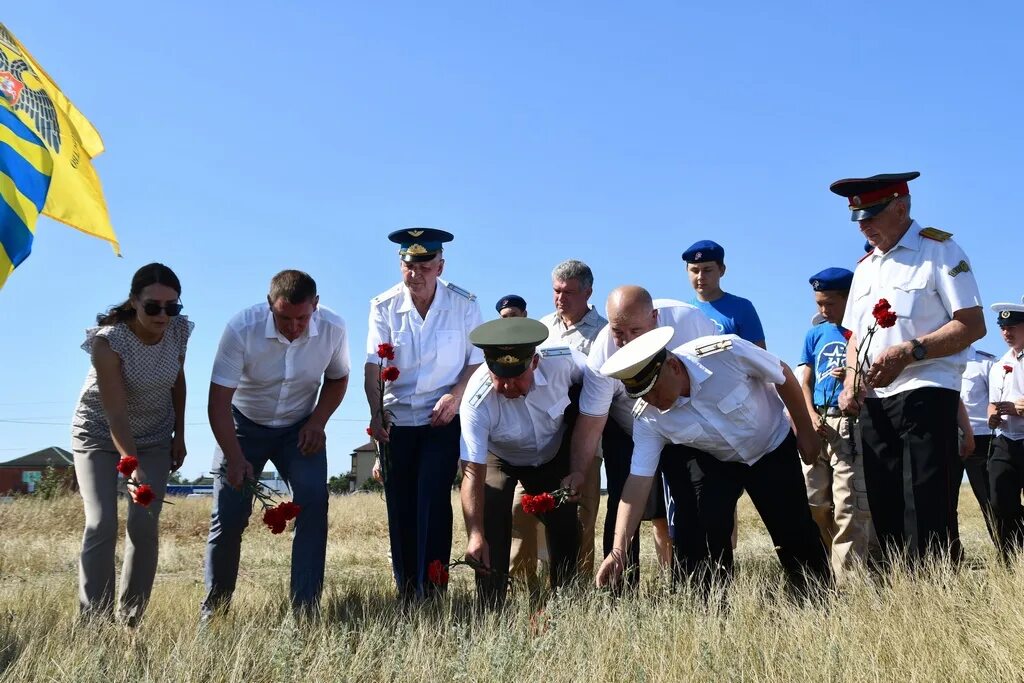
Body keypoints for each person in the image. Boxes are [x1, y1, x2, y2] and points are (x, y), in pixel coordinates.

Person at [594, 328, 830, 597]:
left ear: (673, 366)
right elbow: (638, 481)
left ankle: (818, 598)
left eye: (655, 391)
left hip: (771, 447)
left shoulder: (725, 353)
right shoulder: (648, 416)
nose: (653, 403)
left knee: (795, 533)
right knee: (705, 530)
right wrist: (619, 550)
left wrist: (806, 433)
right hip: (722, 462)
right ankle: (713, 605)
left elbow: (783, 374)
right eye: (643, 396)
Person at [833, 171, 985, 564]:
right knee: (885, 502)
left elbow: (971, 325)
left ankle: (936, 590)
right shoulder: (866, 267)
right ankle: (904, 592)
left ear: (901, 207)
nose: (863, 225)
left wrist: (910, 351)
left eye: (872, 215)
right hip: (876, 398)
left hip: (928, 388)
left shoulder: (941, 251)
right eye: (858, 219)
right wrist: (850, 381)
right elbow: (854, 338)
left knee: (926, 499)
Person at [202, 270, 350, 619]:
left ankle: (304, 610)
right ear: (270, 306)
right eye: (284, 317)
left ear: (316, 304)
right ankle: (215, 612)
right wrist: (235, 457)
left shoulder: (334, 328)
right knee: (229, 515)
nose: (295, 326)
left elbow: (338, 377)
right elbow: (218, 402)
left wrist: (318, 421)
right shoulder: (241, 328)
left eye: (302, 317)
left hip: (299, 428)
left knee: (313, 503)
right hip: (242, 425)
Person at [564, 286, 715, 588]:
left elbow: (715, 381)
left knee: (691, 500)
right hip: (629, 427)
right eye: (618, 331)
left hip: (687, 426)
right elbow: (592, 422)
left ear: (655, 318)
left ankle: (692, 583)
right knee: (622, 496)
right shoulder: (603, 354)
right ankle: (619, 586)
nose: (626, 341)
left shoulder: (691, 322)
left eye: (636, 330)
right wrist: (579, 471)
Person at [366, 228, 483, 601]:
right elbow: (373, 366)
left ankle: (434, 586)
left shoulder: (464, 304)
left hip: (441, 419)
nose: (414, 273)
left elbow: (475, 363)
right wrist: (375, 413)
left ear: (440, 266)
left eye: (424, 266)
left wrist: (454, 395)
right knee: (400, 504)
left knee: (431, 497)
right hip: (397, 419)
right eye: (408, 265)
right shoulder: (383, 306)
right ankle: (407, 587)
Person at [72, 263, 192, 625]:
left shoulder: (179, 331)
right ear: (134, 302)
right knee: (101, 522)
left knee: (144, 523)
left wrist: (180, 434)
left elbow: (178, 382)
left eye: (172, 307)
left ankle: (131, 621)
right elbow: (115, 414)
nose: (162, 315)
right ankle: (94, 623)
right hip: (98, 433)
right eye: (153, 306)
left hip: (155, 435)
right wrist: (130, 461)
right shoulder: (108, 343)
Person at [460, 318, 585, 607]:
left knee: (564, 518)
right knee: (490, 511)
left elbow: (598, 389)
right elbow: (472, 473)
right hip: (500, 456)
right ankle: (491, 604)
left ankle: (566, 602)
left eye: (516, 377)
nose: (506, 386)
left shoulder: (564, 362)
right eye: (499, 376)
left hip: (553, 453)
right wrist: (475, 534)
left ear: (536, 362)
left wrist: (578, 461)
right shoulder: (476, 400)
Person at [515, 260, 606, 581]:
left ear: (588, 292)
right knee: (523, 513)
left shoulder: (603, 333)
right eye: (556, 291)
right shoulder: (541, 329)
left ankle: (576, 592)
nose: (560, 298)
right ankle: (523, 589)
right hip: (540, 439)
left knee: (581, 513)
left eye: (568, 292)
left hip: (585, 439)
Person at [797, 268, 874, 579]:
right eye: (819, 304)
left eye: (830, 303)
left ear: (849, 299)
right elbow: (804, 380)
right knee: (815, 502)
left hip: (850, 424)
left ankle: (848, 580)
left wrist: (856, 378)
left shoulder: (864, 332)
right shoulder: (814, 334)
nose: (824, 310)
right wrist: (810, 417)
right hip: (818, 423)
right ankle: (829, 561)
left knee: (849, 504)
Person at [987, 302, 1024, 562]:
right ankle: (1011, 557)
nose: (1005, 333)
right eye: (1002, 328)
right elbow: (993, 401)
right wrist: (992, 415)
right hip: (1006, 440)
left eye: (1011, 327)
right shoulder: (999, 365)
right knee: (1000, 500)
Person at [681, 240, 766, 348]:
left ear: (722, 270)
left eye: (707, 270)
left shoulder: (742, 308)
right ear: (686, 271)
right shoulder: (683, 312)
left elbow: (760, 358)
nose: (700, 277)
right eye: (695, 270)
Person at [954, 346, 998, 546]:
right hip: (948, 436)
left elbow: (996, 402)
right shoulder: (940, 361)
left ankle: (1006, 548)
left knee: (989, 499)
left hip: (981, 438)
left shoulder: (986, 362)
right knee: (944, 500)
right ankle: (951, 553)